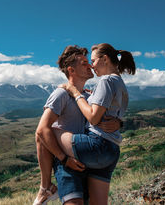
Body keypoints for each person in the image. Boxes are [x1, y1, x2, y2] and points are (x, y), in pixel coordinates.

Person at [34, 45, 121, 205]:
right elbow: (41, 131)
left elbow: (105, 115)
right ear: (71, 70)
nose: (90, 66)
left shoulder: (90, 95)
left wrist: (118, 123)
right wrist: (64, 159)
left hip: (87, 162)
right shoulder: (61, 94)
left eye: (89, 62)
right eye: (83, 63)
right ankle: (45, 189)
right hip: (67, 163)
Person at [56, 43, 135, 205]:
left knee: (49, 131)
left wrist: (74, 91)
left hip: (96, 145)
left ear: (105, 59)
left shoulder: (106, 81)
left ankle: (46, 187)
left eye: (93, 60)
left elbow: (93, 118)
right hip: (112, 151)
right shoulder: (120, 83)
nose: (92, 65)